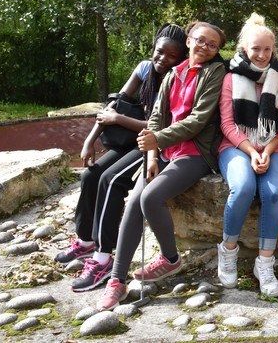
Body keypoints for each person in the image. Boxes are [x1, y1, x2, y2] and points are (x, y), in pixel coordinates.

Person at [97, 21, 227, 311]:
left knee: (150, 197)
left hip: (194, 153)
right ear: (189, 41)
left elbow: (198, 120)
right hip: (165, 151)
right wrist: (153, 155)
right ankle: (116, 280)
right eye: (200, 40)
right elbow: (156, 117)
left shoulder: (215, 72)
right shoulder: (173, 74)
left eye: (212, 45)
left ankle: (170, 258)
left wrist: (157, 139)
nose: (205, 47)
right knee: (134, 202)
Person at [55, 24, 187, 292]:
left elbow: (161, 126)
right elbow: (113, 105)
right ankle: (86, 241)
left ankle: (103, 258)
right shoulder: (145, 68)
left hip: (154, 143)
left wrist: (118, 119)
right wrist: (89, 140)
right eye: (160, 52)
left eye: (172, 56)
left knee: (112, 180)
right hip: (130, 139)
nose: (163, 59)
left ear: (181, 58)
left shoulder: (178, 79)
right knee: (91, 175)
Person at [216, 13, 278, 296]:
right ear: (244, 49)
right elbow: (227, 125)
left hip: (272, 146)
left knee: (272, 193)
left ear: (273, 50)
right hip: (237, 146)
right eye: (255, 49)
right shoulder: (231, 78)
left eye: (267, 49)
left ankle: (265, 262)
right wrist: (251, 151)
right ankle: (228, 250)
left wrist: (268, 150)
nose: (262, 55)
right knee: (244, 187)